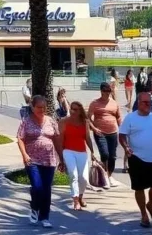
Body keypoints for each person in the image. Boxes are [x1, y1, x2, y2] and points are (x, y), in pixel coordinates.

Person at [119, 91, 152, 228]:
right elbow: (122, 135)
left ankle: (150, 204)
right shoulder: (130, 118)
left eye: (150, 102)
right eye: (145, 102)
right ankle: (144, 215)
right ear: (139, 103)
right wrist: (126, 147)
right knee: (139, 188)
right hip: (136, 158)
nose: (148, 105)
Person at [17, 94, 61, 228]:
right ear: (32, 107)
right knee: (37, 187)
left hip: (49, 160)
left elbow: (56, 139)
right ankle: (35, 207)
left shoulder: (51, 121)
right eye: (38, 107)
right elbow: (20, 139)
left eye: (43, 107)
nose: (41, 110)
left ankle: (45, 217)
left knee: (46, 189)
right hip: (32, 160)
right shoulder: (26, 122)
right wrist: (24, 155)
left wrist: (62, 157)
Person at [61, 101, 97, 210]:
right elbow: (60, 139)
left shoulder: (85, 122)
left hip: (81, 152)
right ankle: (75, 200)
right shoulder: (64, 121)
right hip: (68, 151)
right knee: (73, 175)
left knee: (84, 178)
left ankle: (80, 196)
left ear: (80, 110)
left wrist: (92, 152)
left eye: (75, 109)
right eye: (71, 109)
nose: (73, 111)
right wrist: (60, 156)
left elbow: (87, 138)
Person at [88, 82, 123, 187]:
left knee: (112, 156)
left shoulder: (114, 103)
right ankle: (105, 175)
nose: (107, 93)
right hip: (100, 132)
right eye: (105, 91)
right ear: (101, 91)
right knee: (105, 154)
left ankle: (109, 175)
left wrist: (122, 130)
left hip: (113, 132)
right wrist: (94, 128)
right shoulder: (95, 103)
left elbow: (118, 117)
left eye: (109, 91)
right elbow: (88, 117)